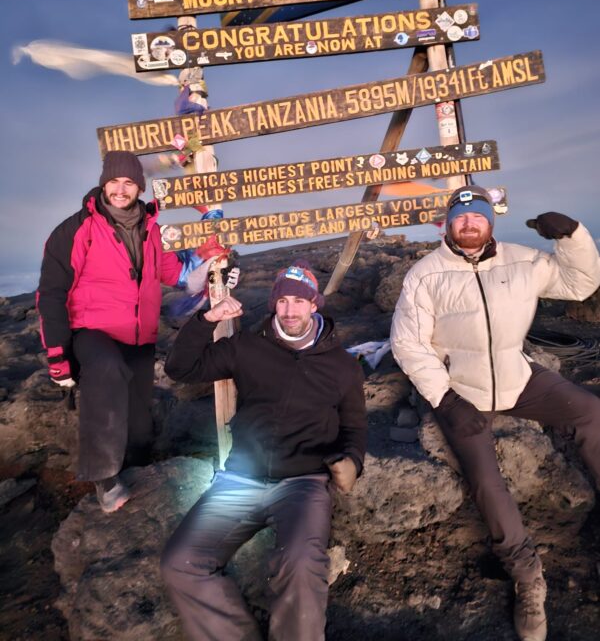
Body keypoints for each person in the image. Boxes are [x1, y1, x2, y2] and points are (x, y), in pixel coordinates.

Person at [390, 184, 600, 641]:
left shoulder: (522, 261)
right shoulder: (425, 275)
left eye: (478, 216)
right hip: (460, 389)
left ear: (491, 221)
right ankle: (528, 578)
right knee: (486, 479)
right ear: (448, 223)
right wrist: (444, 399)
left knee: (591, 413)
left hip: (518, 377)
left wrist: (573, 237)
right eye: (461, 217)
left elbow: (580, 284)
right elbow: (408, 344)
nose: (469, 223)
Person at [161, 260, 367, 641]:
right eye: (283, 301)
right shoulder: (247, 347)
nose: (290, 310)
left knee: (302, 566)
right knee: (180, 563)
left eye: (299, 301)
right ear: (274, 304)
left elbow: (355, 426)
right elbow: (181, 368)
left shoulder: (342, 367)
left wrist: (352, 462)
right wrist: (207, 320)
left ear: (314, 305)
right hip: (239, 477)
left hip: (303, 483)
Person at [37, 151, 201, 513]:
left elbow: (175, 273)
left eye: (129, 183)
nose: (120, 189)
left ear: (139, 188)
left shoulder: (152, 229)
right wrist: (58, 355)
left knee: (140, 427)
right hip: (90, 332)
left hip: (139, 337)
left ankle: (138, 473)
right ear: (103, 184)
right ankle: (104, 477)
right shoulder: (75, 230)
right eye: (114, 182)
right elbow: (50, 293)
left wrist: (211, 255)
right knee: (106, 369)